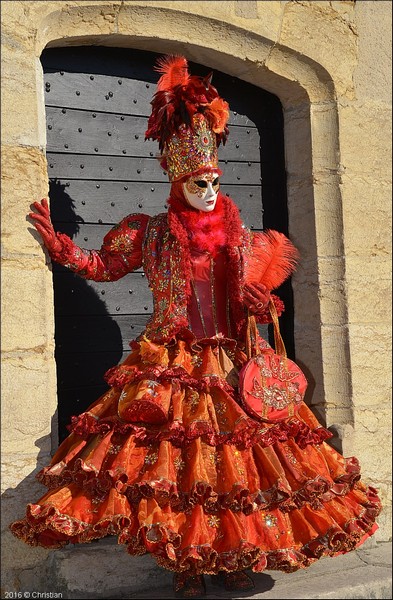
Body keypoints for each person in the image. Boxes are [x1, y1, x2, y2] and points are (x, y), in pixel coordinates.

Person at [10, 55, 381, 598]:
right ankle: (184, 562)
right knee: (177, 470)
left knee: (236, 469)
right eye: (196, 182)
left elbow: (253, 303)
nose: (208, 190)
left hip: (231, 360)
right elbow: (105, 267)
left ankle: (231, 555)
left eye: (212, 180)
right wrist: (62, 247)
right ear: (175, 181)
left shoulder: (240, 237)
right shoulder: (152, 232)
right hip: (170, 361)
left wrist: (261, 305)